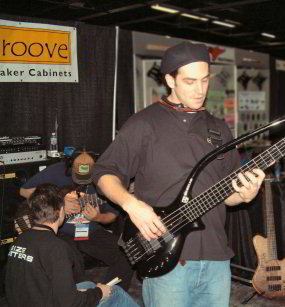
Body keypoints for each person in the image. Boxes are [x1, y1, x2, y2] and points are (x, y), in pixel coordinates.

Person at [92, 42, 266, 307]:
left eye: (205, 80)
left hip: (217, 259)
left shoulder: (219, 128)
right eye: (190, 81)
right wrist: (131, 204)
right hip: (166, 259)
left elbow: (227, 194)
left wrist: (244, 195)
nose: (200, 90)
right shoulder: (144, 123)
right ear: (170, 80)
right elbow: (104, 171)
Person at [6, 183, 138, 307]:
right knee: (115, 292)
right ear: (62, 211)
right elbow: (70, 303)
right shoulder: (57, 248)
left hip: (32, 300)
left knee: (87, 284)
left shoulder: (21, 239)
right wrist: (100, 293)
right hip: (57, 303)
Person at [19, 151, 134, 291]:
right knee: (71, 261)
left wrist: (97, 217)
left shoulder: (107, 177)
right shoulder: (57, 170)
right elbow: (24, 191)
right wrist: (58, 203)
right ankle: (75, 298)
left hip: (90, 232)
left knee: (127, 254)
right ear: (70, 167)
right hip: (59, 232)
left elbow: (111, 215)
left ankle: (109, 295)